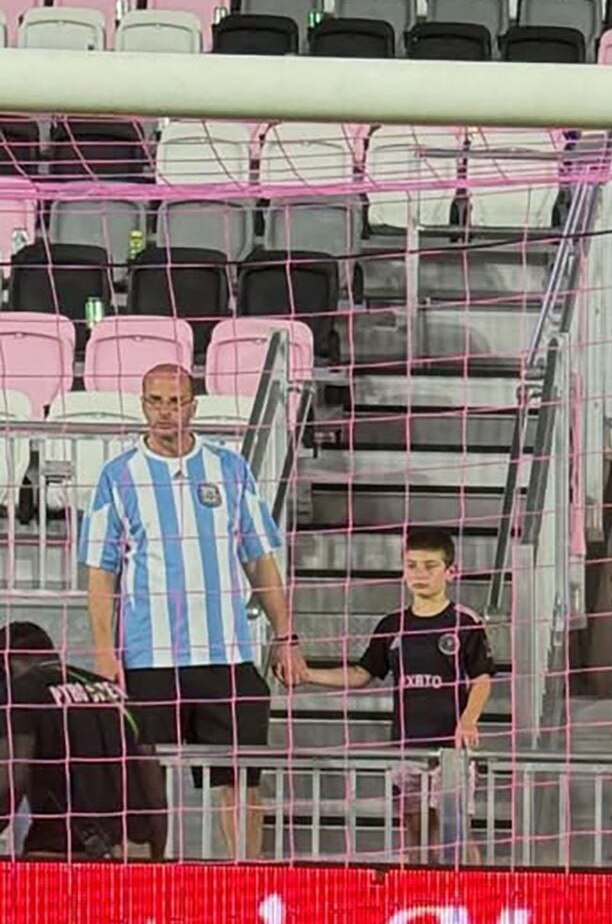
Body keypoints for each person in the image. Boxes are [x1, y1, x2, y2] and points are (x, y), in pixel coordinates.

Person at [79, 363, 302, 860]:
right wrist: (102, 649)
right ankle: (145, 888)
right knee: (143, 786)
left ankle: (246, 879)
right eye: (155, 401)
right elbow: (101, 571)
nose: (165, 412)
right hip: (148, 658)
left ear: (193, 406)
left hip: (225, 654)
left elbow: (259, 558)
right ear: (142, 405)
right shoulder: (118, 477)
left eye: (175, 401)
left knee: (240, 780)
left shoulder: (229, 468)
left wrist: (286, 634)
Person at [295, 526, 494, 864]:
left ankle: (474, 899)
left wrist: (468, 721)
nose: (420, 573)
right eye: (412, 565)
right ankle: (418, 896)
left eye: (430, 566)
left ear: (450, 571)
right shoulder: (391, 626)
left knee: (454, 831)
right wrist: (308, 675)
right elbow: (361, 674)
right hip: (406, 745)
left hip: (451, 749)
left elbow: (482, 678)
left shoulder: (465, 622)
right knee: (414, 829)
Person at [0, 621, 167, 860]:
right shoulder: (116, 694)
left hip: (60, 851)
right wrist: (156, 860)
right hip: (132, 850)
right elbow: (156, 794)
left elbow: (10, 784)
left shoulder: (20, 694)